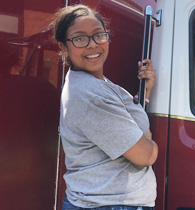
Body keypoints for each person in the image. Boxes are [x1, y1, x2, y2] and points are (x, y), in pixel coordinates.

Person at [53, 5, 158, 210]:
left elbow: (120, 121)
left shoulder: (96, 84)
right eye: (80, 38)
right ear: (63, 47)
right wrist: (149, 142)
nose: (92, 45)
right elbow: (145, 156)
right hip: (108, 204)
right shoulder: (90, 95)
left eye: (99, 35)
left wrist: (143, 95)